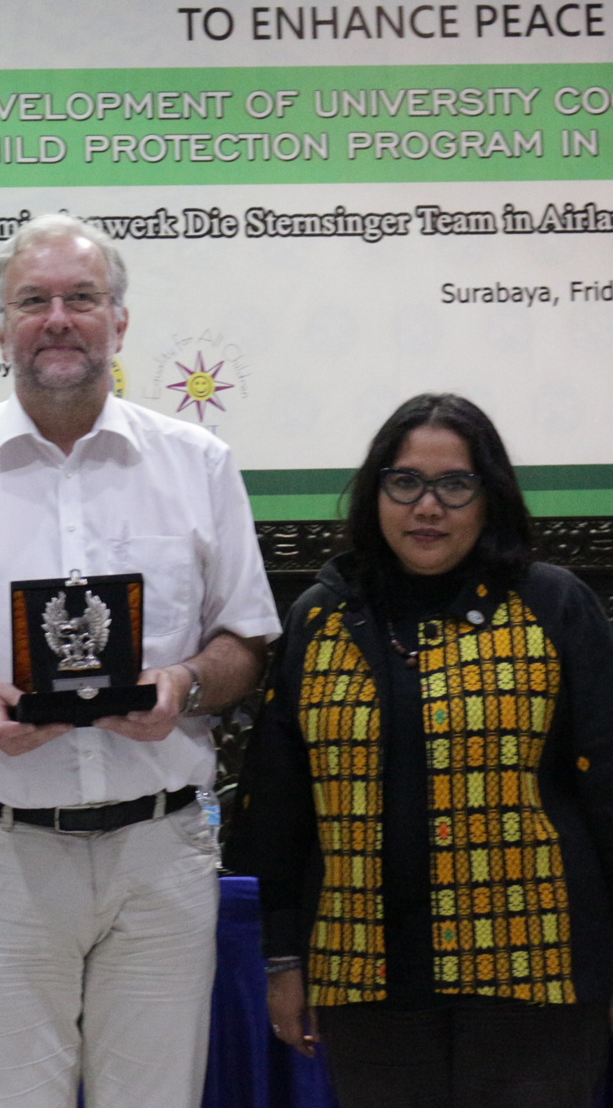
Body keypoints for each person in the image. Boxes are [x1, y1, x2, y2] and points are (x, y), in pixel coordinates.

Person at [0, 214, 281, 1108]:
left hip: (162, 851)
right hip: (0, 854)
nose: (58, 319)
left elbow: (249, 642)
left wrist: (185, 684)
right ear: (0, 327)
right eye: (33, 301)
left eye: (82, 298)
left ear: (119, 322)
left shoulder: (198, 463)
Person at [225, 393, 613, 1108]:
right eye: (404, 483)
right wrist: (283, 960)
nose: (426, 506)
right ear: (376, 493)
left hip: (535, 973)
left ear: (488, 496)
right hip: (362, 975)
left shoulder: (553, 606)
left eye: (454, 485)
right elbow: (281, 811)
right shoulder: (320, 618)